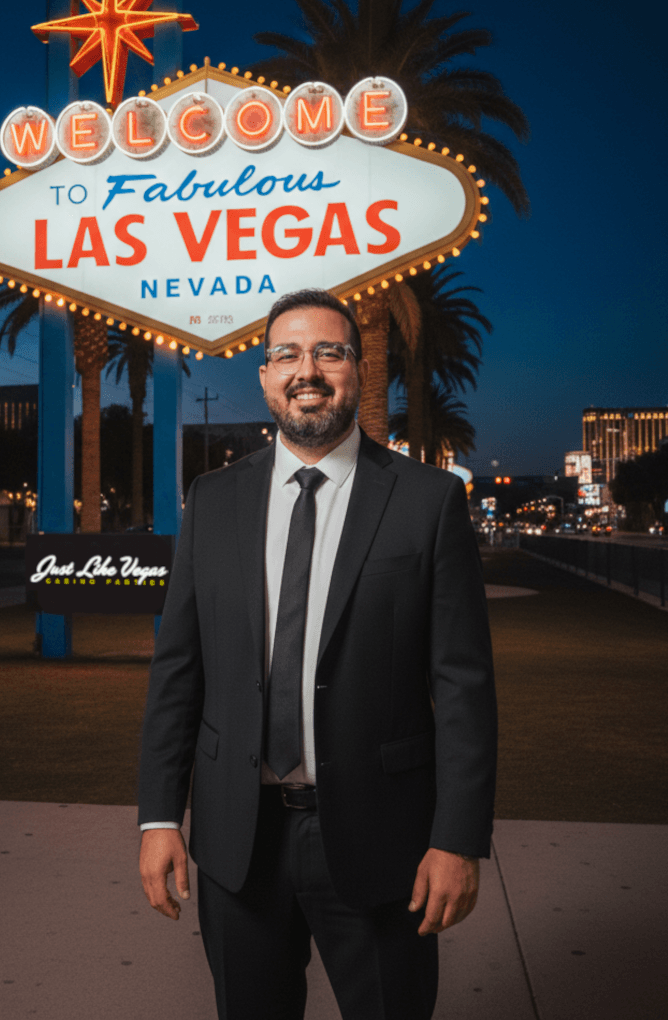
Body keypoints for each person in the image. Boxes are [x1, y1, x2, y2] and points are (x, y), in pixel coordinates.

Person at [137, 288, 497, 1020]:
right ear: (266, 378)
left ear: (358, 372)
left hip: (382, 839)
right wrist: (157, 818)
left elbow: (463, 687)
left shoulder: (427, 503)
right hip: (239, 841)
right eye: (288, 354)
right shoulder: (213, 501)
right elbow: (178, 673)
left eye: (329, 352)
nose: (309, 369)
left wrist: (457, 839)